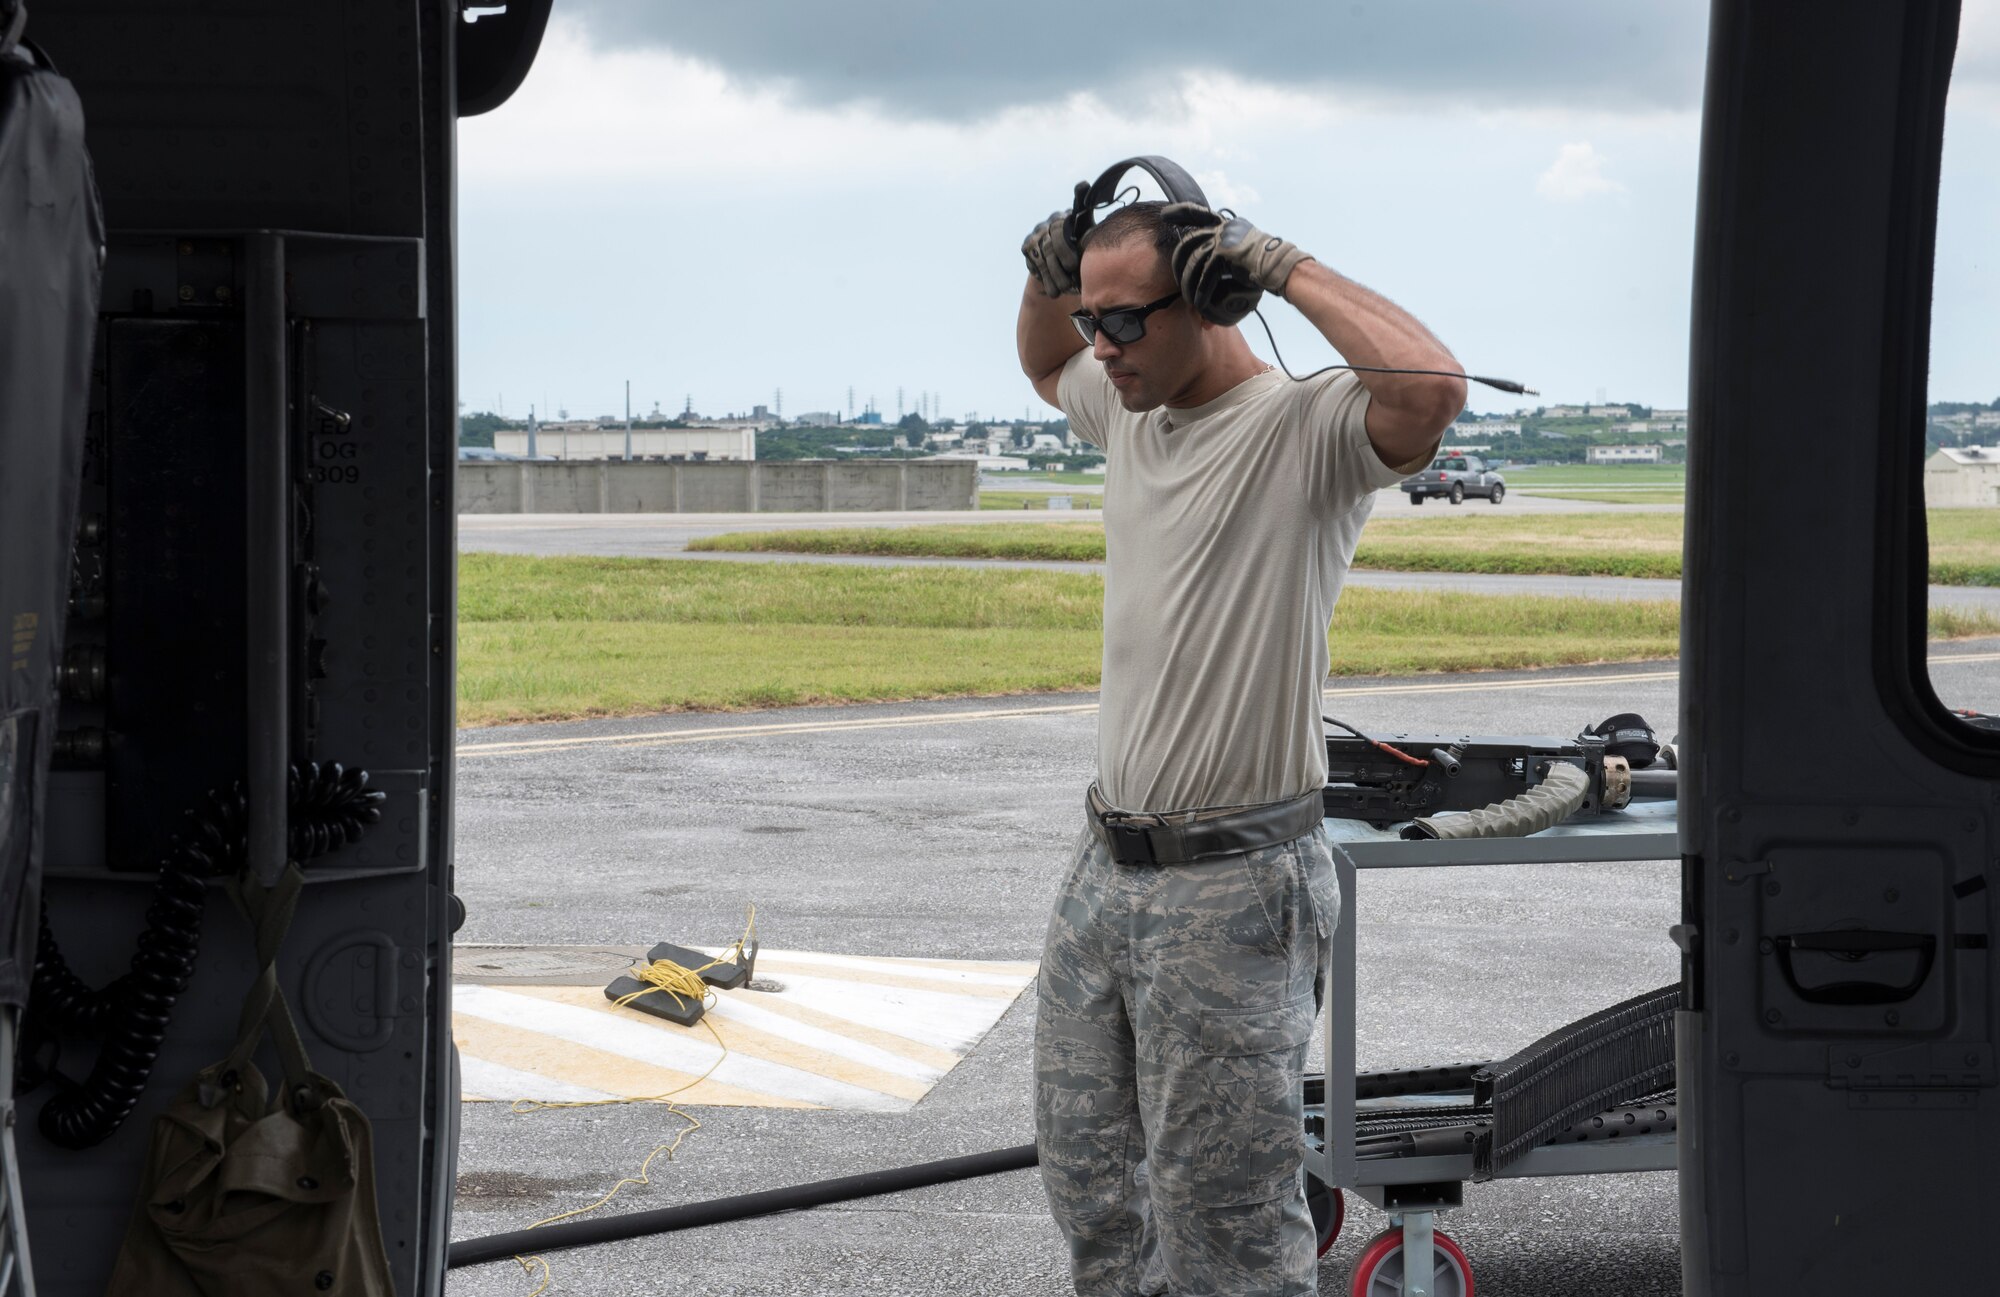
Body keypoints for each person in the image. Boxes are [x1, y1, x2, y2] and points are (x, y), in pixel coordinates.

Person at [1015, 194, 1464, 1296]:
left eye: (1123, 321)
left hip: (1232, 885)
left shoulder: (1300, 429)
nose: (1099, 346)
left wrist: (1282, 263)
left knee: (1223, 1223)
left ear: (1213, 298)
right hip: (1104, 868)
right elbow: (1037, 367)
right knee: (1094, 1197)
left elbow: (1429, 393)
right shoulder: (1128, 407)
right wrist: (1043, 278)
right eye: (1089, 319)